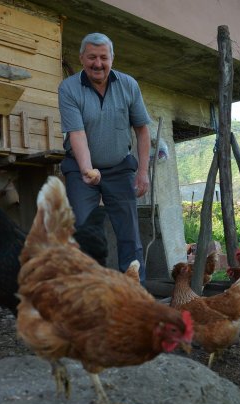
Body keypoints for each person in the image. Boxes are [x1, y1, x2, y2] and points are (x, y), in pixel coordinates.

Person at [58, 32, 152, 283]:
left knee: (129, 234)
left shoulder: (128, 85)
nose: (97, 64)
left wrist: (143, 172)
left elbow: (142, 130)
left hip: (120, 167)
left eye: (103, 57)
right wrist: (88, 170)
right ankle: (86, 293)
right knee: (81, 230)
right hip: (80, 168)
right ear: (81, 58)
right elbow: (77, 133)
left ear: (112, 58)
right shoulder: (68, 88)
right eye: (91, 57)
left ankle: (134, 295)